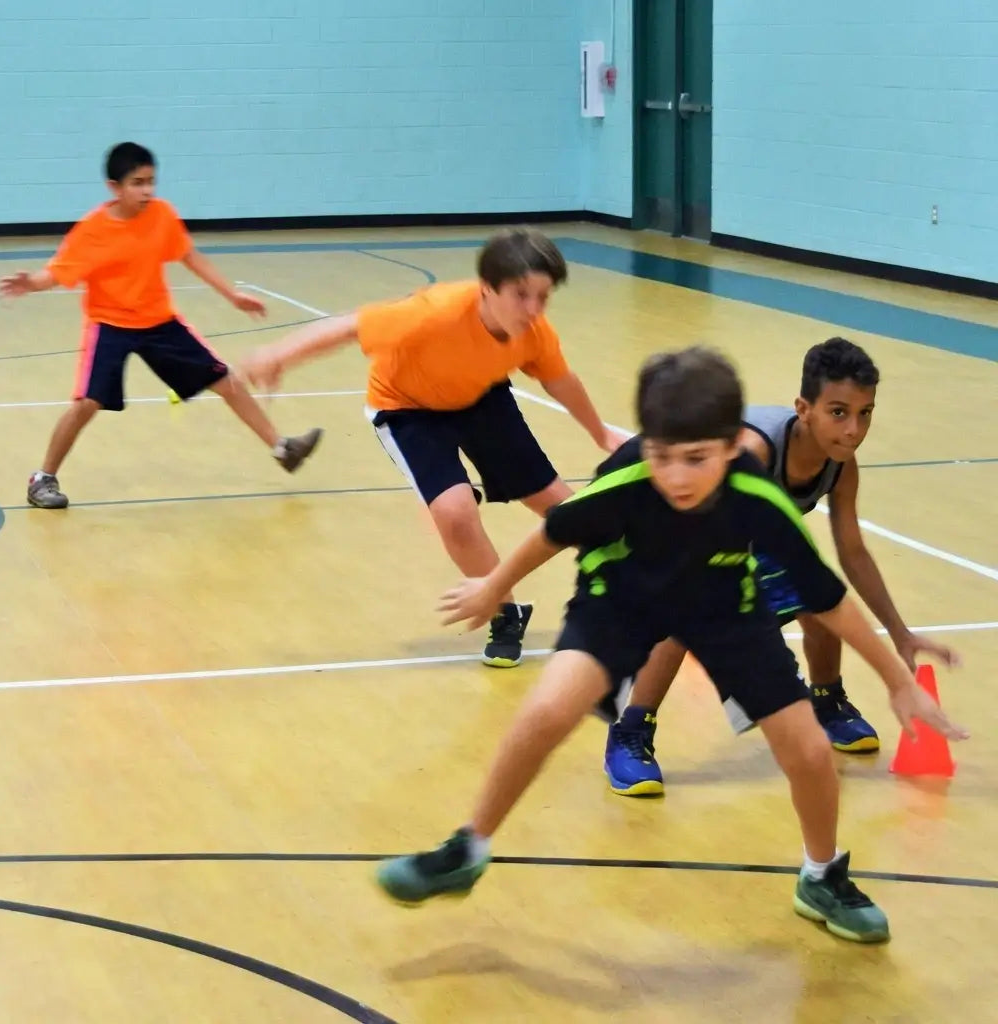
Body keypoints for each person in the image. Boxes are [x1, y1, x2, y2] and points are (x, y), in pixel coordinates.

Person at [375, 346, 967, 943]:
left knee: (810, 751)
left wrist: (897, 682)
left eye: (696, 458)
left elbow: (829, 598)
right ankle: (468, 849)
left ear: (732, 447)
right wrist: (492, 588)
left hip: (725, 607)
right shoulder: (629, 477)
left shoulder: (758, 497)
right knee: (547, 710)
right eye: (663, 456)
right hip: (620, 599)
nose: (677, 476)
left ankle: (821, 875)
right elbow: (552, 532)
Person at [239, 228, 623, 667]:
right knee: (455, 514)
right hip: (408, 409)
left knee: (556, 503)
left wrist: (599, 433)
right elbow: (349, 327)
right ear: (487, 287)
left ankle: (633, 578)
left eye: (544, 297)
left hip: (481, 398)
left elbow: (559, 379)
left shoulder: (534, 332)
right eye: (521, 295)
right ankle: (503, 611)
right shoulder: (432, 312)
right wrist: (278, 354)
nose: (534, 309)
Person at [602, 338, 959, 796]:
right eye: (838, 412)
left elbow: (853, 551)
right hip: (661, 508)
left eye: (865, 413)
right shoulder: (755, 452)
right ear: (803, 409)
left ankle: (827, 701)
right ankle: (631, 731)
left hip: (735, 529)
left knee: (819, 591)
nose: (854, 428)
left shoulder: (840, 466)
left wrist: (900, 632)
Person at [0, 141, 323, 510]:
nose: (147, 190)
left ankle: (283, 449)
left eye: (151, 181)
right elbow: (57, 272)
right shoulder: (92, 231)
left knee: (227, 382)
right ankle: (43, 479)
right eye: (137, 183)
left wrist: (232, 295)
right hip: (110, 325)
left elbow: (190, 257)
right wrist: (31, 284)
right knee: (87, 402)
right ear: (114, 188)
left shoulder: (162, 215)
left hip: (159, 323)